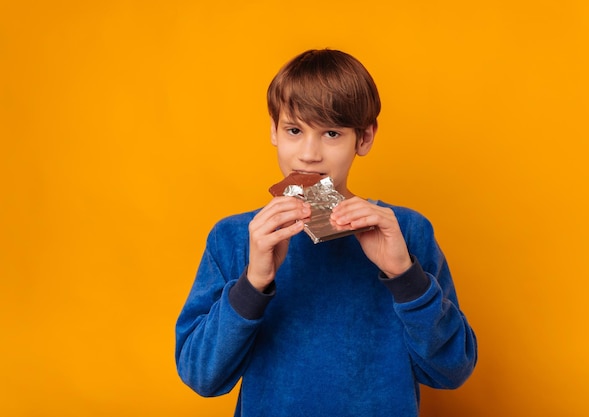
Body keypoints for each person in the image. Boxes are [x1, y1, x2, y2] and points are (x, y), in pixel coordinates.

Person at [175, 49, 478, 417]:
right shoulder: (236, 236)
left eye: (331, 133)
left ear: (363, 138)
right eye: (293, 130)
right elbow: (201, 377)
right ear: (273, 131)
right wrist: (253, 283)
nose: (308, 154)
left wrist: (405, 277)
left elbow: (453, 370)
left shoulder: (407, 230)